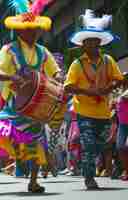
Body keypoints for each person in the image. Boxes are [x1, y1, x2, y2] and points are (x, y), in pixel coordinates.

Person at [0, 0, 61, 193]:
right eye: (28, 29)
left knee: (37, 139)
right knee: (11, 135)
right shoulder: (8, 49)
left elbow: (56, 72)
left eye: (35, 29)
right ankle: (20, 156)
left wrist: (60, 79)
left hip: (37, 104)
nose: (33, 32)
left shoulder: (43, 51)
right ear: (19, 31)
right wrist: (12, 77)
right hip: (14, 104)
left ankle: (33, 181)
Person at [64, 9, 126, 189]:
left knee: (104, 143)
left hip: (104, 112)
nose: (92, 45)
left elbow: (119, 79)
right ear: (83, 45)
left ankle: (91, 165)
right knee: (88, 144)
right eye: (88, 42)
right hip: (84, 112)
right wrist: (87, 91)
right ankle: (89, 176)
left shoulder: (108, 60)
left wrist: (109, 87)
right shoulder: (77, 64)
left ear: (99, 43)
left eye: (95, 42)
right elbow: (68, 86)